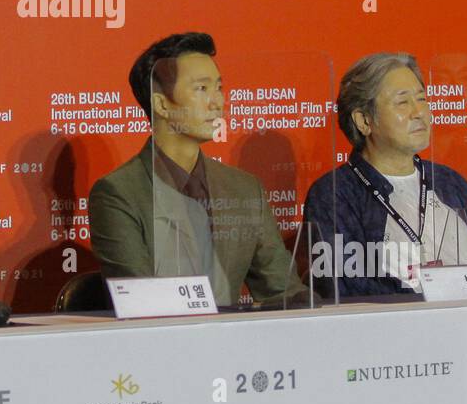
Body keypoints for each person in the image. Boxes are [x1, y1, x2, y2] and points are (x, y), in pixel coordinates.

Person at [88, 32, 308, 307]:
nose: (218, 102)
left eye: (219, 88)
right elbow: (142, 300)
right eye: (202, 89)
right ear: (162, 104)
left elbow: (283, 290)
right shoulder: (118, 193)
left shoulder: (243, 188)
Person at [303, 53, 467, 298]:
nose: (420, 112)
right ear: (364, 120)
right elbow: (346, 287)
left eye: (422, 99)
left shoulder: (450, 183)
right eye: (403, 102)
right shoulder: (335, 194)